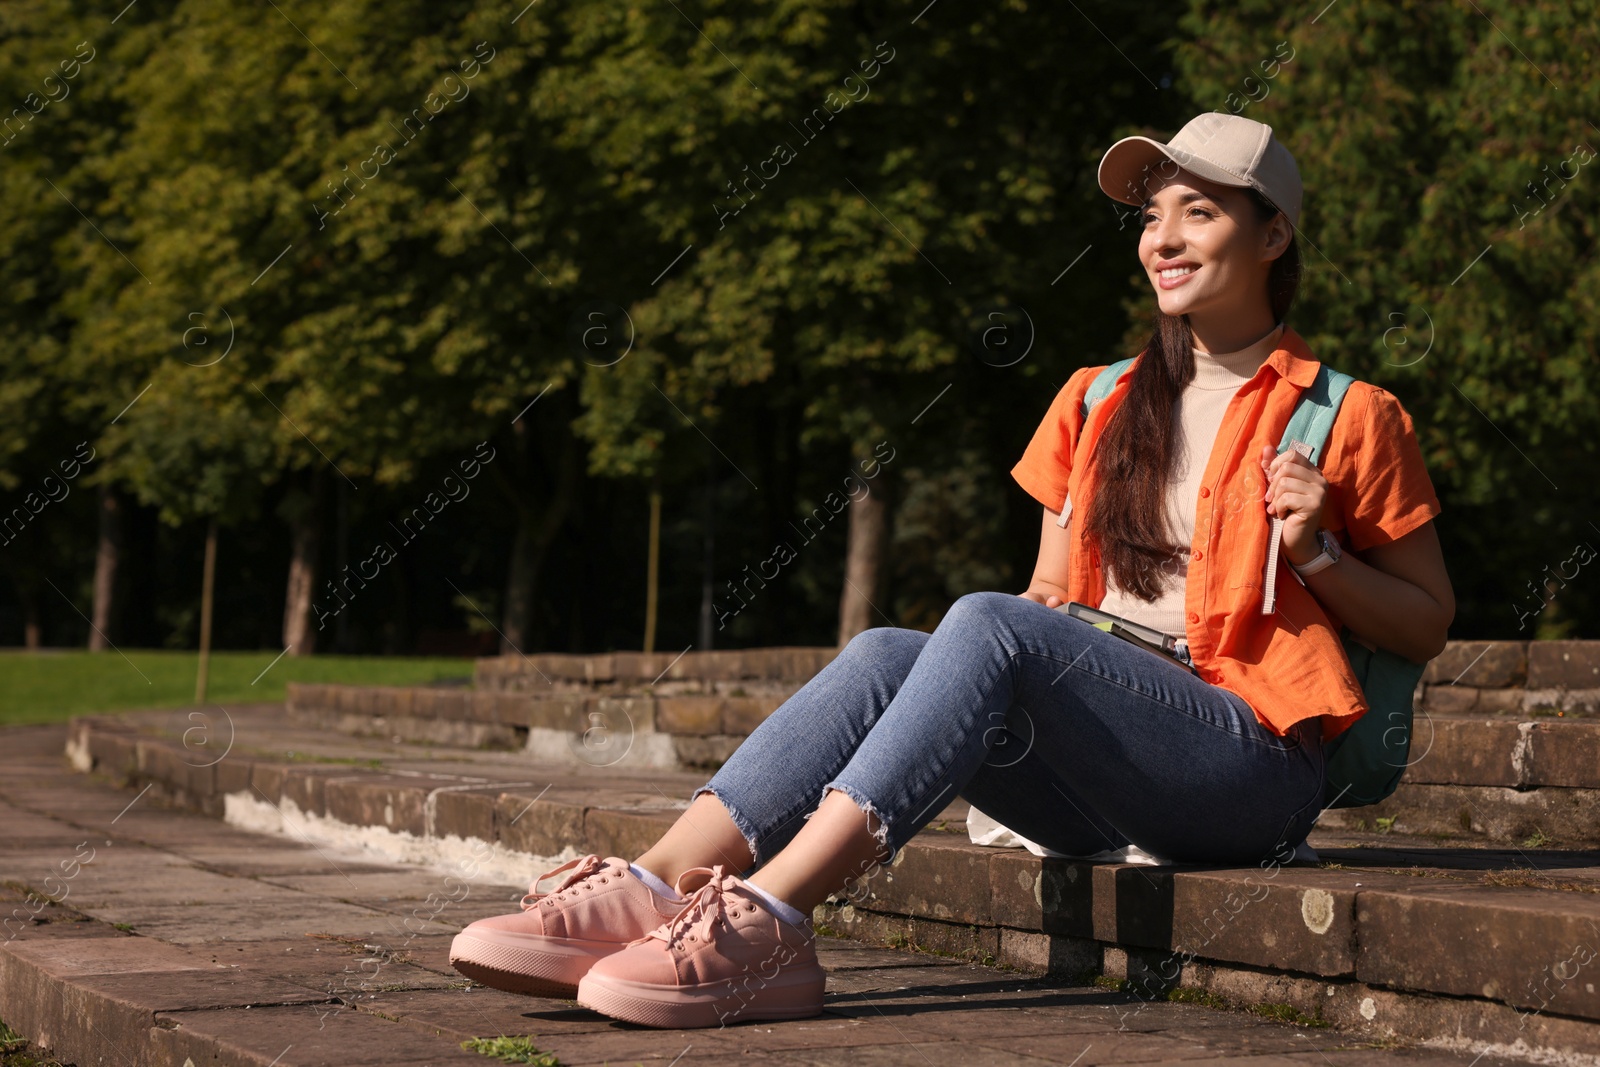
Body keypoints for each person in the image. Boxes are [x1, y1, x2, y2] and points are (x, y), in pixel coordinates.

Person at [448, 112, 1455, 1030]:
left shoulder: (1350, 415)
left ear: (1272, 235)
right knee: (895, 649)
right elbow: (1049, 599)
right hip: (1100, 774)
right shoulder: (1097, 396)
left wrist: (1315, 550)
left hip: (1245, 768)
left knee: (986, 622)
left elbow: (1422, 622)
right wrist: (960, 692)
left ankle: (771, 915)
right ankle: (660, 882)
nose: (1163, 239)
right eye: (1151, 217)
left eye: (1199, 212)